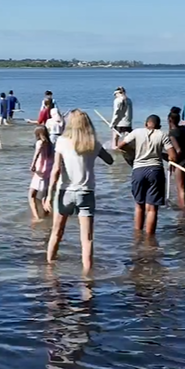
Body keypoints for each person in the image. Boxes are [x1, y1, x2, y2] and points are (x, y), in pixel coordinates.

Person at [44, 110, 114, 273]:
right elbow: (110, 160)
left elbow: (55, 171)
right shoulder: (93, 143)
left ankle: (49, 269)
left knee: (56, 232)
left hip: (65, 192)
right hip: (86, 193)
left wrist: (49, 195)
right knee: (87, 240)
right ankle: (87, 279)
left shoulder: (62, 142)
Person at [117, 114, 171, 235]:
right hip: (155, 170)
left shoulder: (137, 132)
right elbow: (173, 155)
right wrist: (161, 154)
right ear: (159, 126)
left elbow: (121, 146)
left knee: (139, 205)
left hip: (138, 170)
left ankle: (137, 235)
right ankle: (149, 238)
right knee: (152, 208)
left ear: (146, 124)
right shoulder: (162, 134)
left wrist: (134, 152)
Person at [167, 108, 185, 208]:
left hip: (181, 161)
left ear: (169, 120)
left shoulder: (172, 134)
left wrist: (173, 160)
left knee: (180, 187)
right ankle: (183, 205)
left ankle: (183, 209)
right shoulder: (183, 129)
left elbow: (178, 150)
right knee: (182, 185)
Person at [28, 126, 54, 221]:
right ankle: (48, 215)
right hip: (48, 171)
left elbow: (37, 154)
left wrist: (33, 165)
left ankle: (37, 217)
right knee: (44, 196)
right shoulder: (51, 144)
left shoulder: (40, 143)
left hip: (40, 170)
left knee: (31, 195)